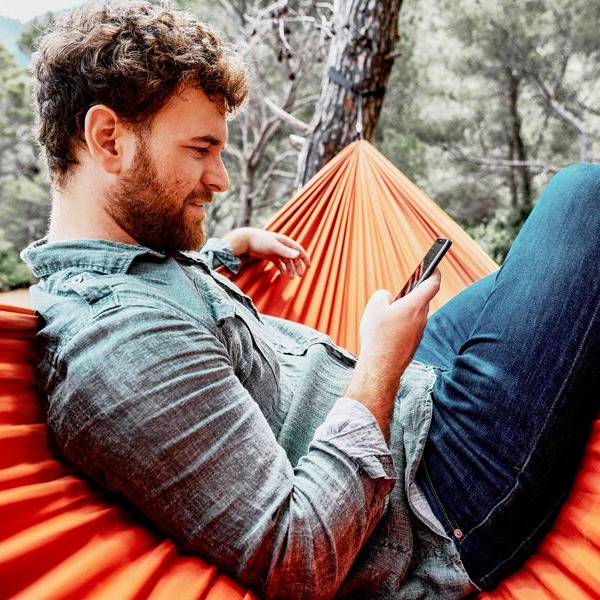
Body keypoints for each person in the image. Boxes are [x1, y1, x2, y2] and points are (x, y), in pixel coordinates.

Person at [20, 1, 600, 598]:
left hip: (411, 404)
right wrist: (379, 363)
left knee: (523, 284)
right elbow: (300, 557)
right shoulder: (119, 345)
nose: (220, 179)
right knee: (585, 203)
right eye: (200, 149)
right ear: (108, 139)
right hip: (436, 497)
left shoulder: (136, 264)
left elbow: (169, 292)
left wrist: (228, 251)